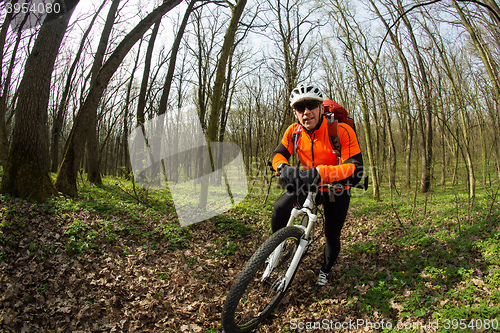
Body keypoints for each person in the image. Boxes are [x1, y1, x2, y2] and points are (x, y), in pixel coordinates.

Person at [270, 83, 363, 286]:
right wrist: (283, 168)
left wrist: (321, 173)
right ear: (295, 112)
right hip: (307, 185)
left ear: (321, 107)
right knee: (279, 209)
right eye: (300, 108)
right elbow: (278, 155)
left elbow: (355, 168)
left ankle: (325, 270)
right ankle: (277, 249)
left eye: (311, 105)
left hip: (336, 189)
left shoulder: (341, 131)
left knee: (331, 234)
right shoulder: (294, 132)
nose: (307, 112)